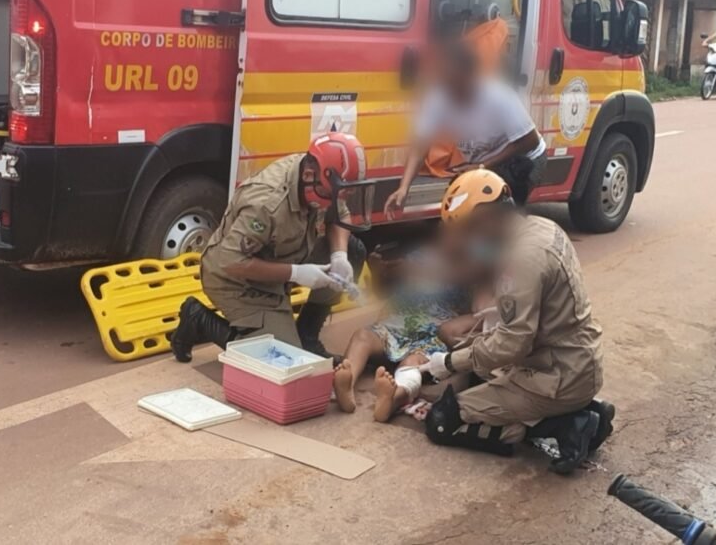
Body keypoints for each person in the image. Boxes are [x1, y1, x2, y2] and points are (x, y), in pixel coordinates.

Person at [415, 169, 615, 474]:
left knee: (442, 420)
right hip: (577, 362)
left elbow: (512, 343)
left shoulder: (520, 260)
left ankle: (567, 425)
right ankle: (586, 408)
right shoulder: (541, 228)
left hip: (556, 379)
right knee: (482, 371)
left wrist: (451, 362)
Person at [169, 133, 372, 363]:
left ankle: (307, 336)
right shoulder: (266, 203)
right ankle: (198, 320)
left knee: (353, 250)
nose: (335, 198)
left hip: (285, 254)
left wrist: (339, 255)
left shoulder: (321, 176)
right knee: (282, 359)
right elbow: (232, 261)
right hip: (236, 278)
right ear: (308, 176)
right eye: (331, 194)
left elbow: (340, 213)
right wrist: (296, 273)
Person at [332, 242, 496, 422]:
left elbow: (481, 307)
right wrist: (380, 271)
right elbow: (382, 292)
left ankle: (393, 398)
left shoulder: (482, 260)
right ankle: (347, 384)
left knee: (412, 362)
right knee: (362, 336)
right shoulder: (422, 253)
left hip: (436, 331)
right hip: (401, 322)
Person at [385, 41, 546, 211]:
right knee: (463, 207)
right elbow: (420, 147)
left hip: (524, 159)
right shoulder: (438, 97)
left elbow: (531, 140)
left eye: (457, 83)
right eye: (447, 82)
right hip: (482, 164)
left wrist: (483, 166)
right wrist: (404, 188)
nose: (453, 91)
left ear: (472, 76)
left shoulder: (499, 96)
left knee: (499, 211)